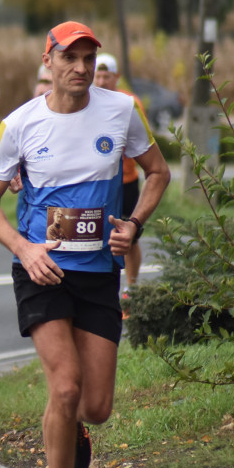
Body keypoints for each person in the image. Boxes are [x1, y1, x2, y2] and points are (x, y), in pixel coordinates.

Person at [0, 21, 170, 468]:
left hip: (99, 273)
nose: (81, 68)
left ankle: (75, 425)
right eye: (69, 58)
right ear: (49, 61)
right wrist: (24, 248)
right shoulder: (19, 125)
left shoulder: (121, 110)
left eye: (88, 59)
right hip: (43, 272)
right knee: (64, 386)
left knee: (95, 406)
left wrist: (134, 224)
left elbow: (158, 172)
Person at [94, 53, 147, 295]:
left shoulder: (130, 103)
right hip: (100, 183)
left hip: (126, 181)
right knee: (100, 236)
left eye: (107, 76)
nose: (102, 81)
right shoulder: (87, 102)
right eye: (98, 76)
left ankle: (131, 288)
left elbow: (142, 143)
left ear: (117, 77)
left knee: (130, 237)